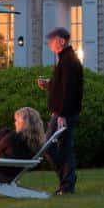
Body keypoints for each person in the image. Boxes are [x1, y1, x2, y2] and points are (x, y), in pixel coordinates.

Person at [37, 26, 83, 195]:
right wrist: (49, 85)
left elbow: (69, 90)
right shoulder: (64, 60)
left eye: (52, 40)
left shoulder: (69, 61)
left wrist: (62, 114)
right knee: (60, 147)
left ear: (61, 41)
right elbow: (62, 87)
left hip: (64, 113)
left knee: (53, 146)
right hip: (60, 112)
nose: (49, 43)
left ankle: (67, 181)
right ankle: (67, 180)